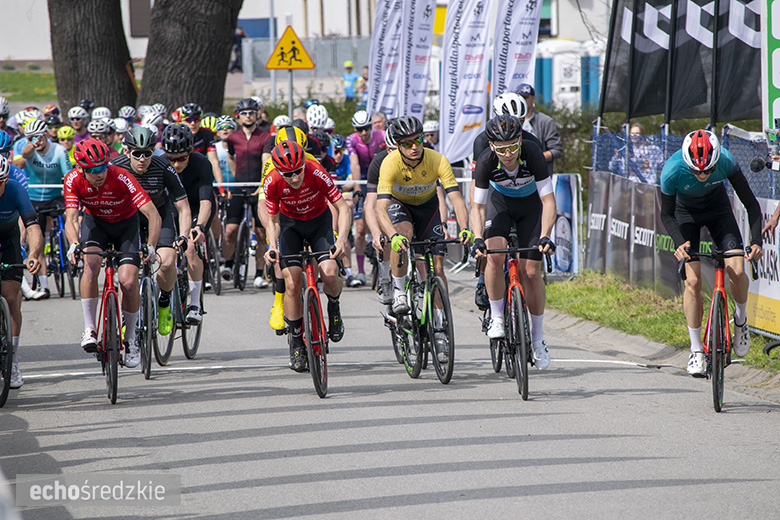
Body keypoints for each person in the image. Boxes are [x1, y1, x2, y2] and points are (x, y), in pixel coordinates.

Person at [660, 130, 762, 376]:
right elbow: (666, 214)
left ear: (716, 161)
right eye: (697, 172)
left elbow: (751, 204)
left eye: (708, 170)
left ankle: (740, 319)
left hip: (718, 210)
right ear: (688, 164)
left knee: (737, 270)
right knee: (692, 281)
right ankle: (696, 350)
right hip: (686, 214)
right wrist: (678, 242)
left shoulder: (726, 160)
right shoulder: (672, 170)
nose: (703, 175)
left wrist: (756, 241)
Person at [375, 116, 472, 361]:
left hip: (428, 209)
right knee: (404, 235)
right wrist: (392, 235)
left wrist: (464, 228)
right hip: (401, 207)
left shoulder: (437, 159)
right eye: (407, 143)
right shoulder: (389, 163)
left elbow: (456, 198)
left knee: (437, 269)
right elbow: (380, 208)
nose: (414, 146)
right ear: (398, 145)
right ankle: (399, 291)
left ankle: (440, 330)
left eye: (418, 140)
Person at [64, 138, 161, 368]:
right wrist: (73, 243)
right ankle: (90, 328)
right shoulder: (72, 179)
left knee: (128, 282)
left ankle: (131, 340)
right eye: (93, 170)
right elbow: (70, 218)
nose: (100, 173)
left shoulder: (121, 176)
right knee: (91, 265)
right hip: (95, 224)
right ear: (80, 169)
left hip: (125, 226)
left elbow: (153, 215)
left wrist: (151, 246)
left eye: (103, 167)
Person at [470, 115, 556, 370]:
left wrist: (546, 235)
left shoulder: (533, 153)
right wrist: (477, 238)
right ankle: (497, 318)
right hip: (501, 205)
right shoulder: (486, 161)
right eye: (501, 148)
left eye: (512, 146)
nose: (507, 154)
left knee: (531, 271)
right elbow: (477, 206)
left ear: (520, 140)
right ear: (492, 145)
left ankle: (538, 339)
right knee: (494, 257)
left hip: (531, 207)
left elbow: (548, 201)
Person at [263, 141, 351, 371]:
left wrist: (341, 239)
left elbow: (343, 208)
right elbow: (272, 221)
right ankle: (295, 341)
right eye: (288, 174)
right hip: (290, 225)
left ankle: (333, 305)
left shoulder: (315, 171)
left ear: (304, 164)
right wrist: (272, 246)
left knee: (330, 273)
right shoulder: (272, 181)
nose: (294, 178)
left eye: (298, 171)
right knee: (291, 283)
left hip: (318, 222)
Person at [111, 126, 192, 337]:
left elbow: (183, 206)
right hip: (129, 219)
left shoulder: (163, 166)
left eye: (147, 153)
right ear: (127, 151)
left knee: (166, 261)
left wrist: (183, 236)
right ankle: (128, 317)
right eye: (136, 153)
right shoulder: (115, 168)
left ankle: (165, 300)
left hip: (160, 214)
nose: (142, 159)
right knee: (126, 274)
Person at [161, 123, 215, 323]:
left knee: (191, 245)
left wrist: (199, 227)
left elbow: (207, 201)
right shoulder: (160, 164)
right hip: (171, 210)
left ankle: (195, 303)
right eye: (171, 159)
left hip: (197, 208)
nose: (175, 164)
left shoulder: (201, 163)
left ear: (190, 152)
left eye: (181, 158)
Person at [0, 156, 45, 388]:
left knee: (10, 299)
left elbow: (33, 227)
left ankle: (13, 359)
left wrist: (34, 255)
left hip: (8, 240)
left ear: (6, 179)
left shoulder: (15, 189)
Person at [20, 119, 72, 299]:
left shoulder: (59, 150)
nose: (37, 141)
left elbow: (68, 175)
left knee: (69, 214)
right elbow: (24, 154)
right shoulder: (30, 149)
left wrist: (68, 192)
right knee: (38, 240)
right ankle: (44, 286)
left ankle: (71, 245)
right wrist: (32, 143)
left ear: (47, 135)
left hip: (55, 195)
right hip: (34, 198)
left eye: (40, 137)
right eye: (33, 138)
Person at [225, 98, 271, 288]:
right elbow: (230, 155)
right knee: (230, 230)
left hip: (258, 187)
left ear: (257, 114)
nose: (248, 116)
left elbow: (266, 161)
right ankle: (228, 264)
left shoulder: (266, 137)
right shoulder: (233, 137)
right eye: (244, 113)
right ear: (239, 116)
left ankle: (259, 273)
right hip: (239, 186)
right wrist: (235, 178)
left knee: (261, 233)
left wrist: (261, 185)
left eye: (251, 112)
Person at [345, 110, 385, 287]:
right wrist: (357, 188)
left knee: (382, 220)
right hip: (361, 179)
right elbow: (354, 164)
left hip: (381, 178)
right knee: (360, 229)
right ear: (355, 129)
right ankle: (361, 272)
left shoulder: (382, 135)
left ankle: (384, 266)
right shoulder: (351, 139)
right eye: (360, 129)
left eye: (367, 128)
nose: (364, 132)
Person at [516, 84, 562, 177]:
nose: (522, 101)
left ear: (533, 99)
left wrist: (534, 159)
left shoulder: (545, 121)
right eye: (520, 98)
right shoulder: (511, 122)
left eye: (525, 97)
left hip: (539, 177)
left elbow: (556, 150)